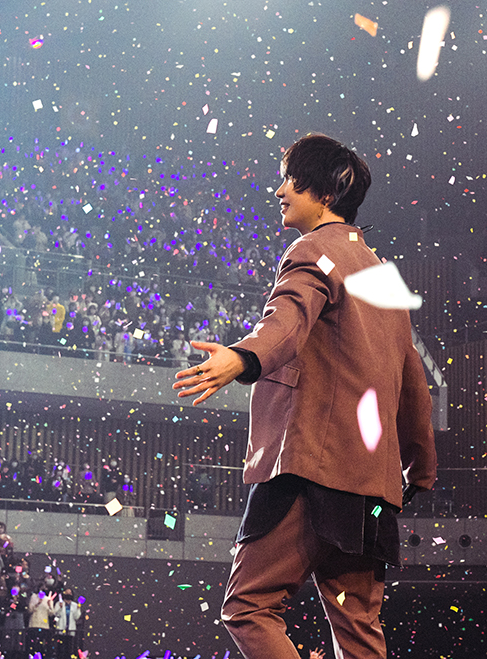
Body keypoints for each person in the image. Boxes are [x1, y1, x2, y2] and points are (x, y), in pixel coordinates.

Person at [173, 133, 437, 659]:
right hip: (372, 488)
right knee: (359, 631)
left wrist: (243, 357)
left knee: (247, 607)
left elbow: (287, 321)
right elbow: (414, 387)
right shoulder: (383, 276)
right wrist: (419, 469)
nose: (280, 191)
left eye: (291, 180)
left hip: (311, 469)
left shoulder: (312, 250)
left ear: (327, 193)